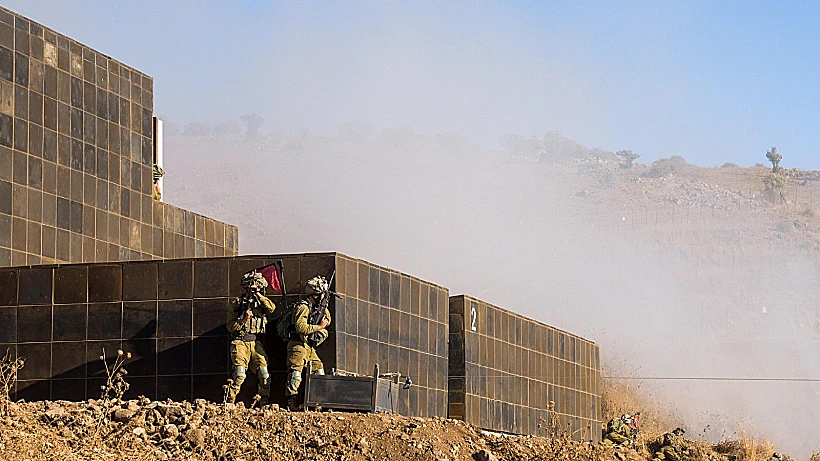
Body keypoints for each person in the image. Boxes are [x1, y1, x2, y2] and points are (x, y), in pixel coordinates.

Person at [225, 271, 276, 404]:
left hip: (254, 342)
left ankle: (263, 401)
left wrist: (258, 294)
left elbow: (272, 308)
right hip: (240, 341)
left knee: (265, 374)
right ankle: (230, 400)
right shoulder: (238, 303)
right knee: (240, 374)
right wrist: (243, 319)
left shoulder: (260, 303)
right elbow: (230, 326)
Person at [284, 275, 332, 410]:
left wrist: (323, 308)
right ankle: (291, 402)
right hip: (297, 345)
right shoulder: (303, 307)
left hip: (309, 347)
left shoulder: (316, 308)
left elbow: (328, 319)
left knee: (318, 371)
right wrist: (319, 327)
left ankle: (317, 402)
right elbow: (301, 328)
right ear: (315, 294)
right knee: (295, 374)